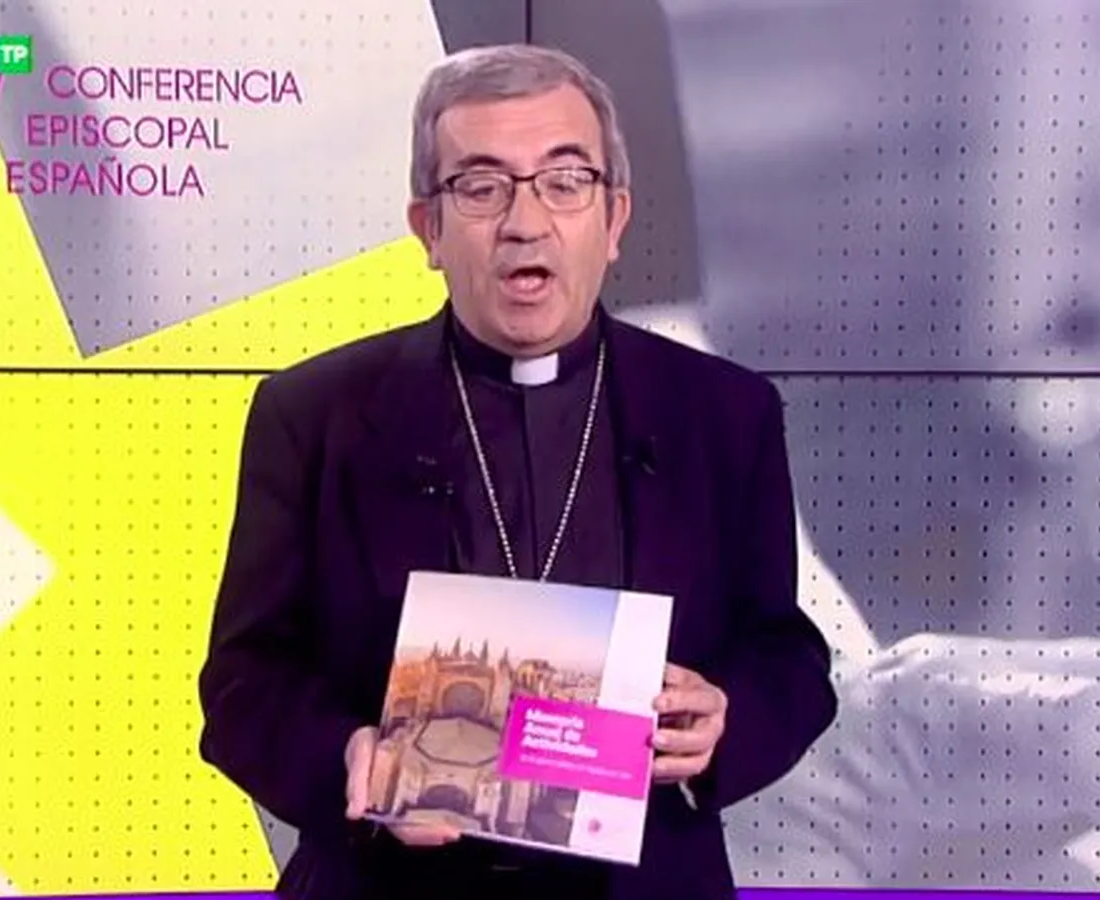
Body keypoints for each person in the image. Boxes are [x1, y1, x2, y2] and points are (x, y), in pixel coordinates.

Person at [196, 43, 838, 900]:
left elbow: (787, 657)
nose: (525, 222)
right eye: (481, 186)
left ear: (614, 220)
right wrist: (348, 756)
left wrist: (727, 724)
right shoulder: (313, 415)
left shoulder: (725, 414)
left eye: (565, 181)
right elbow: (243, 685)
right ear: (428, 229)